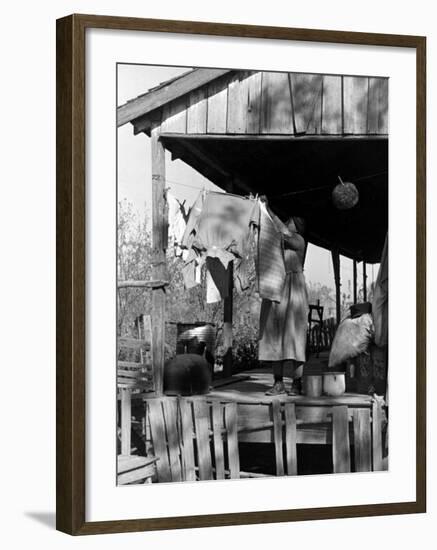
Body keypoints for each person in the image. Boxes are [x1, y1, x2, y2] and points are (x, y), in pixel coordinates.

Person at [258, 198, 309, 396]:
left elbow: (280, 231)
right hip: (276, 286)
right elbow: (271, 233)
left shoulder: (298, 241)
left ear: (298, 227)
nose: (287, 222)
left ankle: (296, 383)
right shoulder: (279, 241)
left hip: (293, 290)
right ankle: (278, 383)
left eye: (291, 221)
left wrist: (268, 209)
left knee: (294, 335)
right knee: (273, 334)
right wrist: (263, 210)